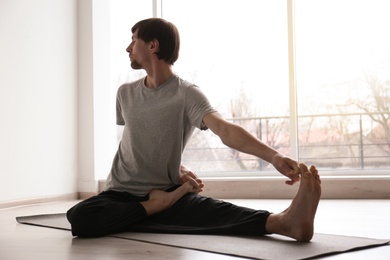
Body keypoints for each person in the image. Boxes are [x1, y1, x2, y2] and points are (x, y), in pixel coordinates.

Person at [67, 18, 321, 242]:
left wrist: (274, 157)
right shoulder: (125, 93)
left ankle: (286, 222)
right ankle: (152, 208)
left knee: (213, 212)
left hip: (167, 193)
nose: (128, 48)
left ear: (153, 45)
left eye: (134, 40)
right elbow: (136, 142)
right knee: (79, 216)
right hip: (120, 193)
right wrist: (173, 173)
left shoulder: (186, 93)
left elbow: (224, 129)